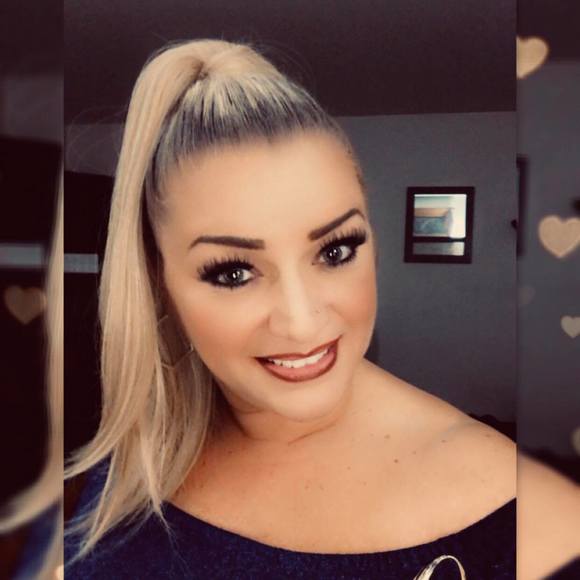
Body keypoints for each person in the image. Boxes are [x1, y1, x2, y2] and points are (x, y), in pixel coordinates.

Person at [64, 39, 516, 579]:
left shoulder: (506, 505)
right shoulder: (137, 456)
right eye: (233, 272)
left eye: (335, 251)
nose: (301, 323)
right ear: (159, 284)